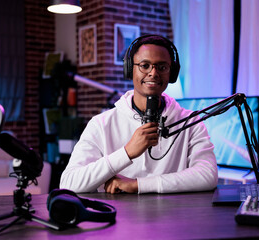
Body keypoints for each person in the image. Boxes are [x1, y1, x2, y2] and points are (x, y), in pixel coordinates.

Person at [60, 34, 218, 194]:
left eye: (162, 67)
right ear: (129, 69)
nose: (153, 73)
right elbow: (69, 183)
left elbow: (207, 175)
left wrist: (138, 184)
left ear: (172, 72)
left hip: (173, 215)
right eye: (145, 65)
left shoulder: (190, 121)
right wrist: (127, 152)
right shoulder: (101, 124)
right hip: (119, 217)